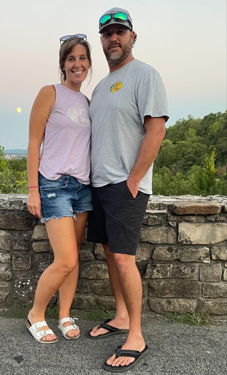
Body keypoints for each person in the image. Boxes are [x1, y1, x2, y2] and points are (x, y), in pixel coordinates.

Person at [87, 7, 169, 372]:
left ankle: (135, 334)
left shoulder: (145, 75)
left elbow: (156, 130)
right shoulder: (101, 85)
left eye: (119, 32)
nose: (113, 39)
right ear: (101, 41)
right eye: (107, 34)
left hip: (125, 185)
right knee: (109, 253)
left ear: (132, 36)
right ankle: (120, 316)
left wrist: (134, 179)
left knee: (123, 257)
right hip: (100, 184)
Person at [26, 34, 92, 343]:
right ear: (63, 65)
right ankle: (36, 314)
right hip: (54, 184)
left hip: (82, 187)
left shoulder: (87, 102)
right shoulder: (49, 93)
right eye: (71, 59)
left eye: (82, 58)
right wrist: (33, 189)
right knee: (64, 259)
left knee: (74, 257)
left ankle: (64, 314)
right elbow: (33, 142)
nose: (77, 64)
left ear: (88, 63)